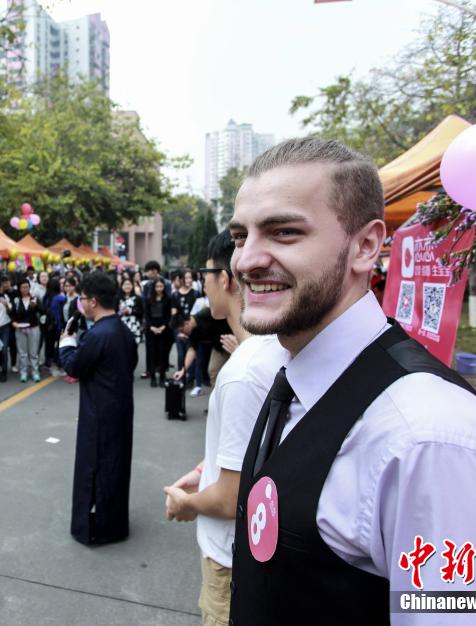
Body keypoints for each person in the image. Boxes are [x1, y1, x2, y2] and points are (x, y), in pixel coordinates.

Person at [227, 137, 476, 624]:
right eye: (239, 236)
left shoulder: (433, 441)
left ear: (366, 246)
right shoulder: (294, 373)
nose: (247, 260)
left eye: (284, 232)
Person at [162, 231, 285, 626]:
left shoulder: (241, 374)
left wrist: (186, 505)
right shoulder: (272, 350)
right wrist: (202, 472)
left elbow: (233, 495)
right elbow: (247, 450)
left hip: (230, 555)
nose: (203, 283)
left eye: (207, 273)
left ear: (228, 279)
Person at [58, 272, 137, 545]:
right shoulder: (122, 330)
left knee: (94, 468)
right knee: (115, 467)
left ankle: (95, 527)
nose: (80, 304)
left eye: (81, 299)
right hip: (121, 411)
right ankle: (113, 523)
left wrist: (65, 343)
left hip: (98, 414)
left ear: (93, 301)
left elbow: (74, 366)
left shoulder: (98, 334)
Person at [10, 278, 42, 383]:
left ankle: (35, 372)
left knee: (33, 352)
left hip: (33, 327)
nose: (25, 289)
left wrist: (36, 306)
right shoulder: (16, 300)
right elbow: (12, 314)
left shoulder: (34, 299)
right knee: (22, 352)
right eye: (23, 287)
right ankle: (23, 372)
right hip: (20, 328)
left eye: (27, 287)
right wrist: (14, 323)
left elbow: (43, 310)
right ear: (19, 288)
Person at [143, 278, 172, 387]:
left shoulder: (168, 299)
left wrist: (163, 326)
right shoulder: (148, 299)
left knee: (163, 353)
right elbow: (146, 315)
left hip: (164, 329)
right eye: (157, 286)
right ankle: (153, 377)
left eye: (161, 286)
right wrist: (151, 327)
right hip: (151, 329)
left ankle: (162, 375)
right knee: (151, 353)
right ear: (153, 287)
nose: (159, 288)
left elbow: (169, 315)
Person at [116, 277, 143, 354]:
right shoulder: (117, 298)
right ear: (121, 286)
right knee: (122, 349)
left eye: (129, 284)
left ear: (132, 286)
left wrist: (130, 311)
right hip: (121, 326)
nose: (127, 286)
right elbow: (114, 312)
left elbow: (141, 312)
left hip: (134, 325)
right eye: (125, 284)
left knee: (133, 349)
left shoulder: (137, 298)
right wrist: (120, 312)